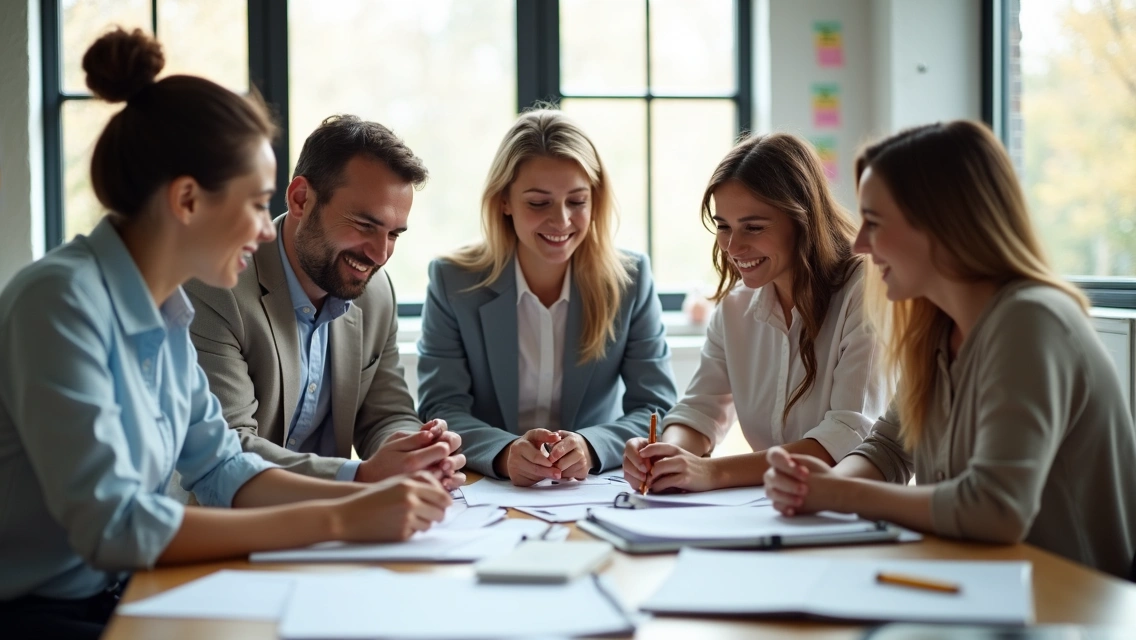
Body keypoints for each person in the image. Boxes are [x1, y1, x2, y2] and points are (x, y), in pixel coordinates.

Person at [0, 29, 450, 638]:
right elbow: (119, 527)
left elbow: (223, 468)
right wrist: (341, 520)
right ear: (188, 200)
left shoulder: (165, 311)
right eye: (255, 204)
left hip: (107, 594)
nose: (267, 230)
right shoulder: (59, 304)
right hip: (5, 618)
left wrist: (364, 493)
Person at [763, 120, 1136, 579]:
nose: (859, 244)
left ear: (942, 225)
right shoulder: (935, 330)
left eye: (874, 223)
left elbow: (996, 507)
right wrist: (818, 485)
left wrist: (839, 496)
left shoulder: (1032, 321)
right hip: (983, 588)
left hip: (1073, 607)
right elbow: (888, 450)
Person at [184, 115, 465, 488]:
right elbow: (227, 449)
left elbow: (386, 414)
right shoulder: (217, 285)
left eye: (394, 234)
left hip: (335, 529)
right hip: (225, 528)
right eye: (365, 225)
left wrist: (410, 450)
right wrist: (360, 475)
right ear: (301, 199)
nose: (380, 255)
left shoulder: (376, 294)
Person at [416, 108, 677, 486]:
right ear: (504, 200)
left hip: (594, 489)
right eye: (539, 203)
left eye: (577, 201)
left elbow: (656, 408)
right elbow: (441, 408)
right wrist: (504, 453)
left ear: (595, 199)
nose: (562, 221)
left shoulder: (630, 281)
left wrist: (591, 446)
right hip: (485, 488)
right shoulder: (453, 281)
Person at [623, 133, 889, 493]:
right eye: (723, 226)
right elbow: (699, 412)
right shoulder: (735, 307)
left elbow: (847, 436)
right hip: (773, 508)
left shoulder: (866, 290)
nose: (733, 247)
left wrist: (711, 472)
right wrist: (667, 454)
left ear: (803, 219)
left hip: (847, 512)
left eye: (753, 227)